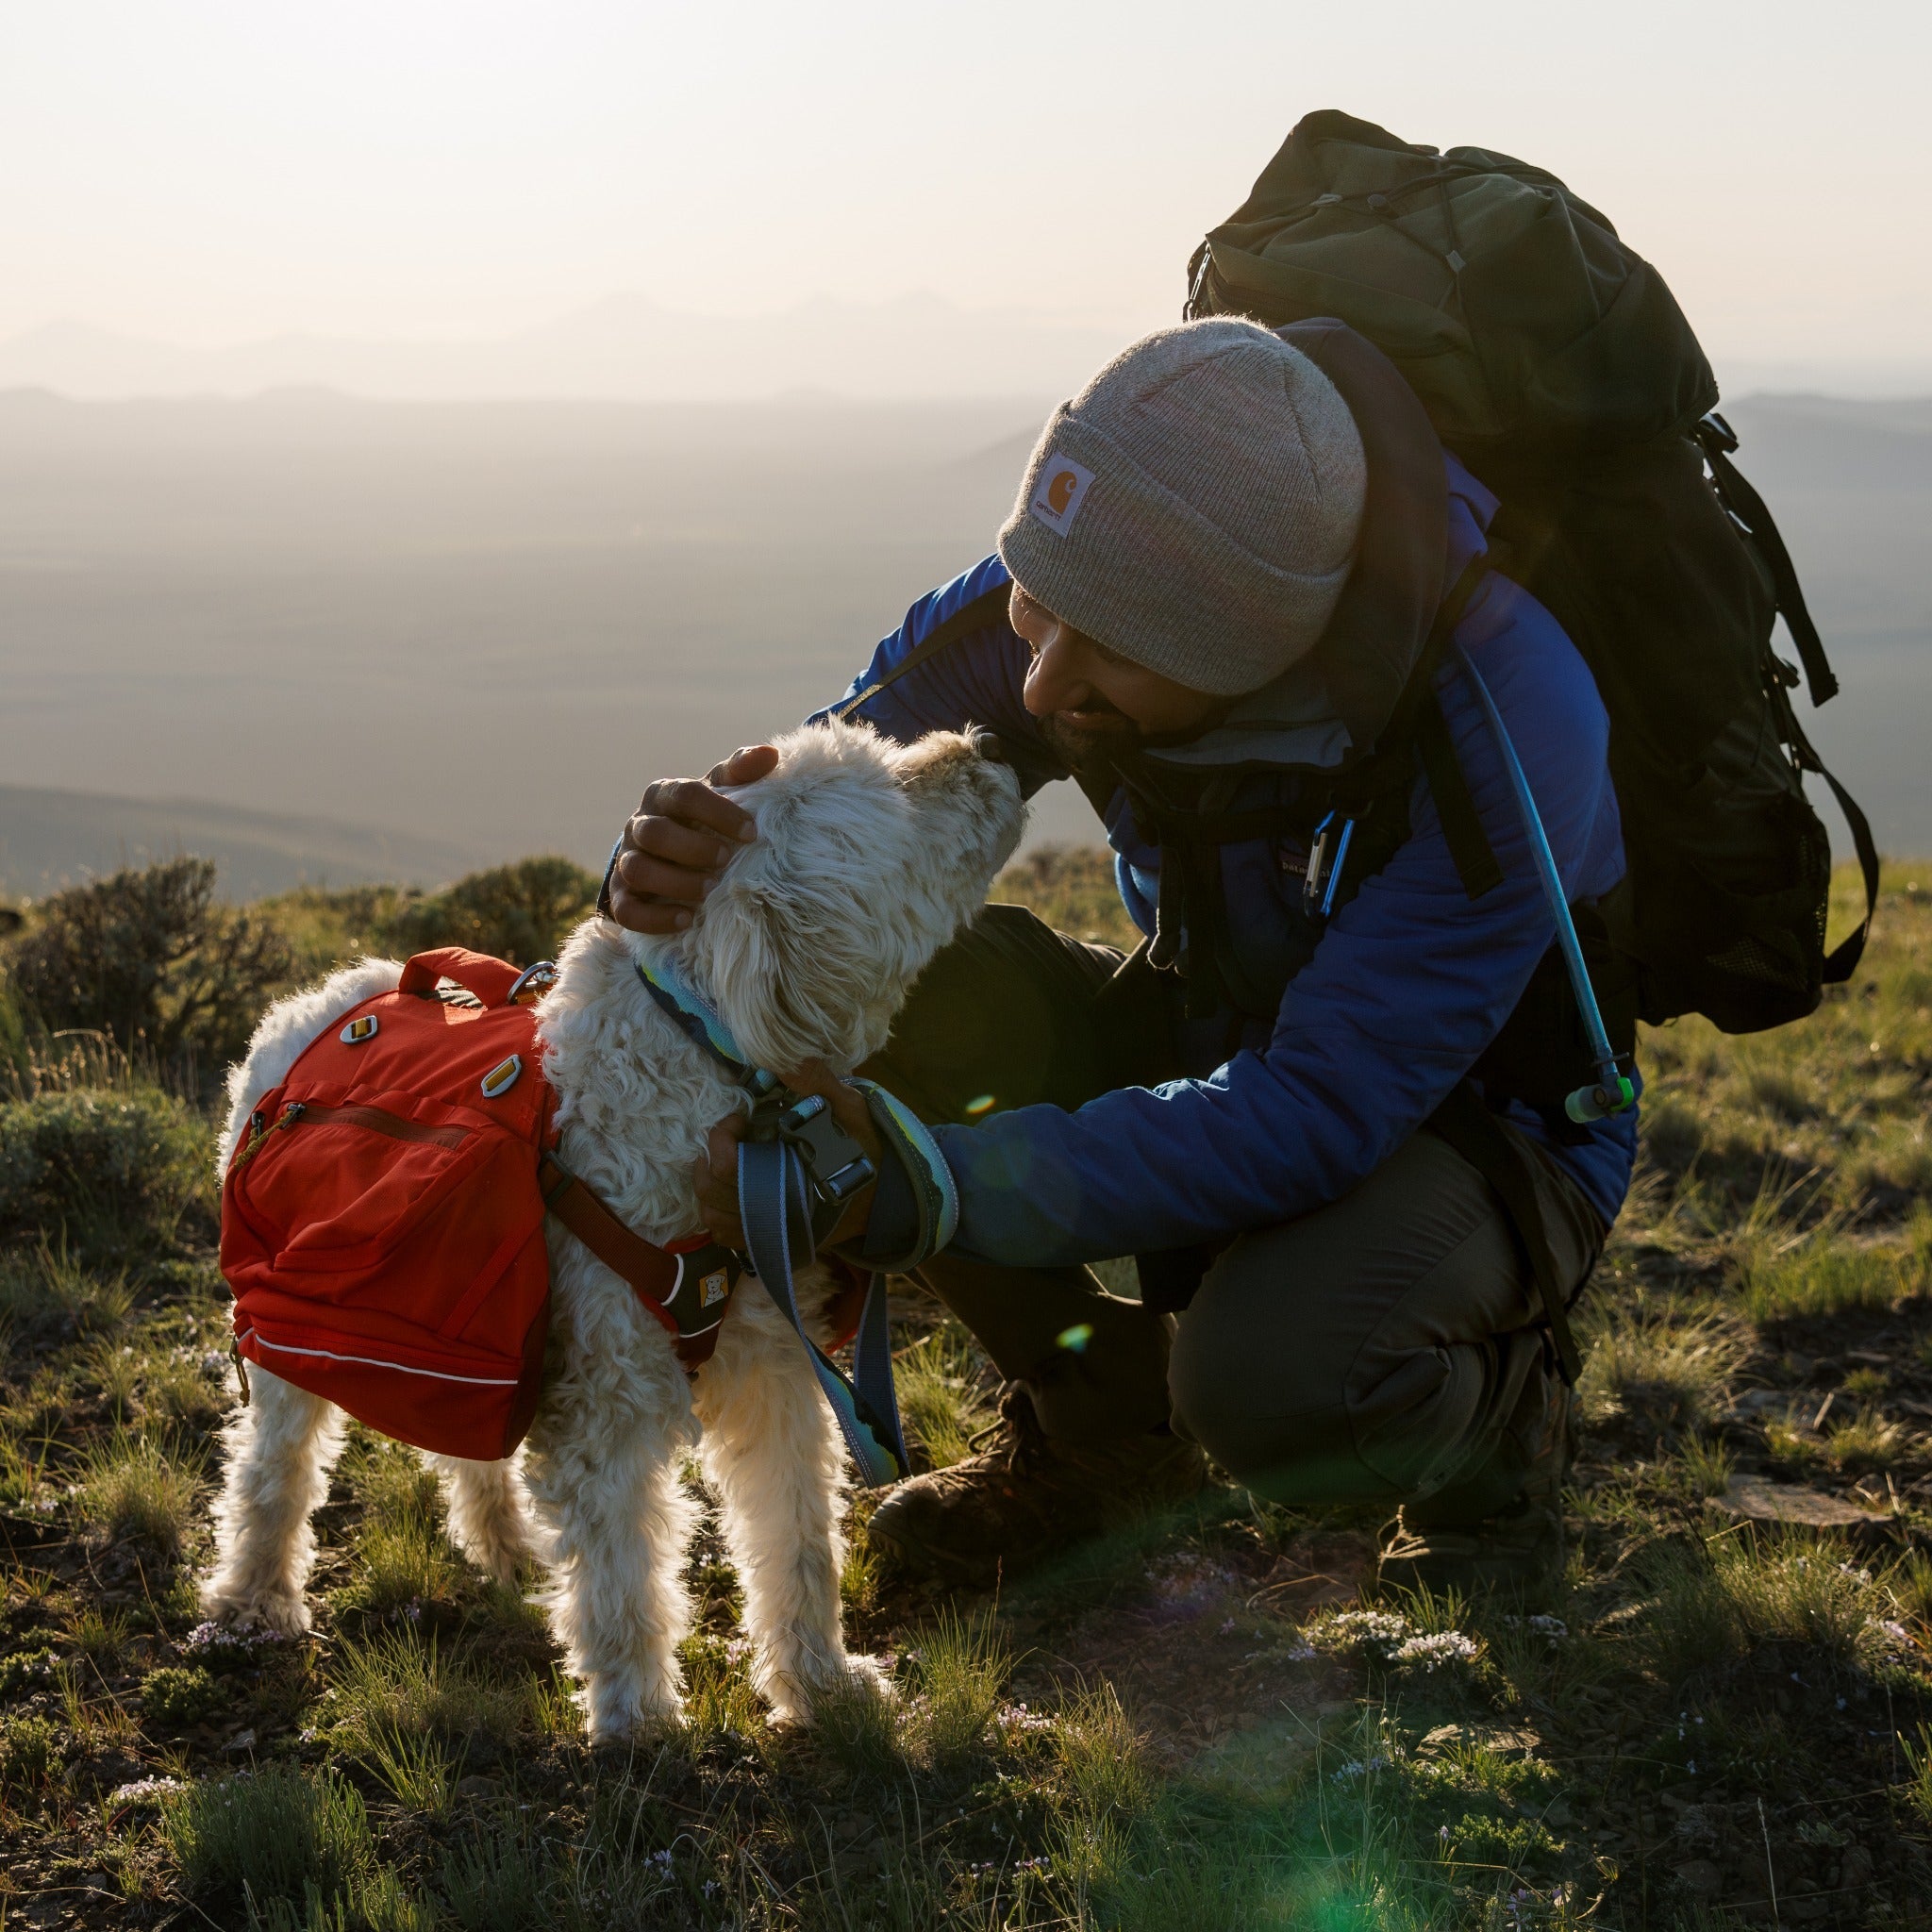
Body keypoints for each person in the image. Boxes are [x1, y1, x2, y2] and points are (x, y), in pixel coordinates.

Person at [604, 317, 1633, 1599]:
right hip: (1215, 1028)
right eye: (1034, 609)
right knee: (888, 1007)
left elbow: (1322, 1108)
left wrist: (934, 1183)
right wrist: (682, 859)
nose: (1038, 685)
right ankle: (1101, 1444)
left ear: (1255, 645)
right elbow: (823, 818)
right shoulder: (1083, 590)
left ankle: (1495, 1444)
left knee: (1269, 1378)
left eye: (1103, 654)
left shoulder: (1504, 723)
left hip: (1474, 1123)